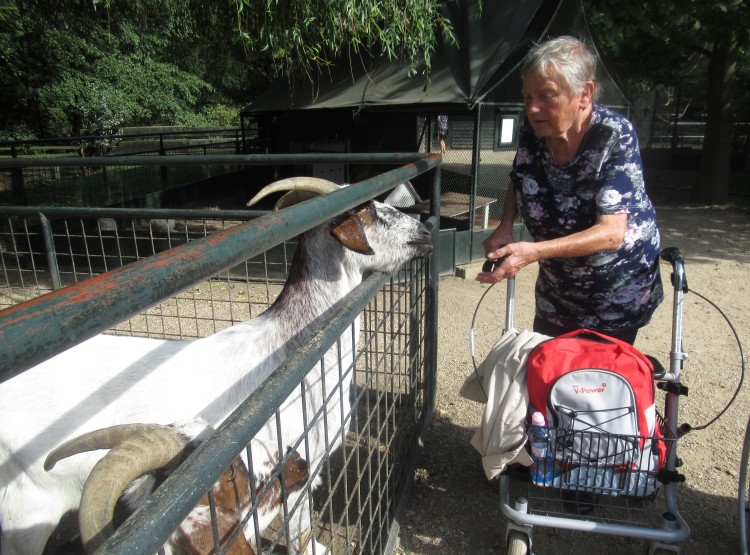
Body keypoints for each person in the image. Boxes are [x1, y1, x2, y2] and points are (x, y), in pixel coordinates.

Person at [476, 36, 662, 345]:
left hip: (613, 293)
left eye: (547, 96)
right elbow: (520, 176)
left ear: (584, 93)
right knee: (550, 375)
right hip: (557, 290)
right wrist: (506, 225)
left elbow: (611, 233)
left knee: (593, 385)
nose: (533, 108)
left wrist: (534, 251)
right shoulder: (534, 130)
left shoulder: (613, 136)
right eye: (527, 97)